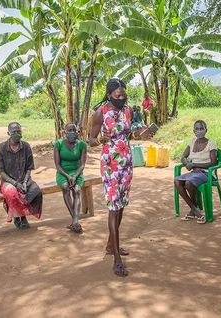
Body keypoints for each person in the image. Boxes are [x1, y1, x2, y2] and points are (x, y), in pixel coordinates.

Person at [89, 78, 133, 276]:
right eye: (117, 96)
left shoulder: (127, 111)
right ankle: (116, 258)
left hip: (126, 163)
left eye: (123, 95)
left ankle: (110, 245)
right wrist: (100, 139)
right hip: (110, 165)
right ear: (109, 96)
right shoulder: (100, 113)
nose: (121, 98)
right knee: (113, 209)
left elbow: (127, 134)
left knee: (121, 204)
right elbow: (90, 140)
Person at [0, 122, 43, 229]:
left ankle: (21, 214)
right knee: (12, 193)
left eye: (19, 131)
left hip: (24, 179)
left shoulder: (26, 146)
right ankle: (18, 217)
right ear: (8, 133)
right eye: (14, 132)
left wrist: (25, 182)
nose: (17, 133)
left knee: (36, 192)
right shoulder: (1, 148)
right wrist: (15, 183)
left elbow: (29, 168)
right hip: (8, 181)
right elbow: (1, 171)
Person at [174, 120, 218, 223]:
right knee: (177, 181)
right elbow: (183, 157)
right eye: (197, 129)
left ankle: (194, 211)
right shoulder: (192, 141)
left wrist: (194, 164)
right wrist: (187, 163)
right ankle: (195, 209)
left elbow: (213, 163)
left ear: (206, 130)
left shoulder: (211, 143)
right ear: (194, 131)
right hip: (194, 173)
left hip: (206, 173)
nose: (199, 131)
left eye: (202, 129)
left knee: (189, 183)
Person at [54, 123, 87, 233]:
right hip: (63, 173)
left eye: (74, 130)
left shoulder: (82, 145)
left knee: (77, 190)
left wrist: (74, 176)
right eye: (69, 130)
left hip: (77, 172)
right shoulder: (58, 144)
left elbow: (82, 165)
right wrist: (68, 176)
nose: (72, 132)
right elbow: (57, 165)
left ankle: (75, 221)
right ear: (65, 132)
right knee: (65, 187)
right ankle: (75, 220)